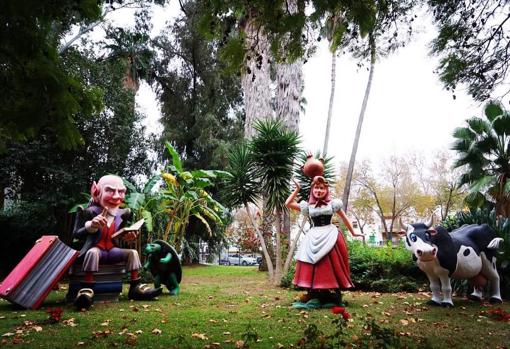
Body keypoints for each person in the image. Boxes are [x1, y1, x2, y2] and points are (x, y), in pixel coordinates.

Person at [73, 175, 161, 309]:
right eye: (110, 191)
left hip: (112, 250)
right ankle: (87, 289)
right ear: (96, 191)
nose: (116, 196)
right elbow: (76, 233)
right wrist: (91, 225)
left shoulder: (123, 213)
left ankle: (135, 287)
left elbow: (118, 234)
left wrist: (128, 236)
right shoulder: (87, 212)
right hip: (97, 249)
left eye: (121, 192)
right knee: (92, 253)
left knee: (132, 253)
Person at [285, 176, 356, 308]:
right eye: (316, 187)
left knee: (331, 264)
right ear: (312, 189)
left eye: (322, 188)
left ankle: (332, 294)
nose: (319, 190)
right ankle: (315, 294)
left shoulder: (333, 204)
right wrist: (297, 189)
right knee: (312, 263)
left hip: (330, 234)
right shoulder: (308, 206)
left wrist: (353, 232)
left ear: (326, 189)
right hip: (313, 236)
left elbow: (344, 217)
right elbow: (288, 203)